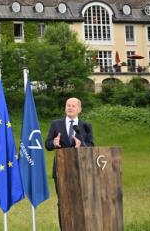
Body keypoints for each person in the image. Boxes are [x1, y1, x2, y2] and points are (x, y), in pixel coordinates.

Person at [45, 97, 95, 230]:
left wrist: (81, 146)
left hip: (81, 170)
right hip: (61, 171)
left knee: (81, 202)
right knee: (63, 203)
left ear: (79, 109)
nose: (70, 108)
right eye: (68, 105)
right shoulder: (56, 124)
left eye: (73, 106)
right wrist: (54, 143)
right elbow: (47, 144)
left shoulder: (85, 126)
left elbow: (91, 146)